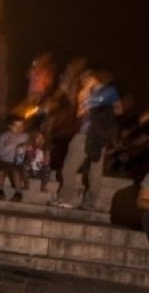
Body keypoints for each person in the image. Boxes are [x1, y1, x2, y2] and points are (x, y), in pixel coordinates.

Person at [51, 69, 122, 210]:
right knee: (93, 171)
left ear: (93, 78)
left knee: (70, 168)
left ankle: (67, 199)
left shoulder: (102, 91)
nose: (82, 81)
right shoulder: (103, 92)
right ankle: (90, 203)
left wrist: (87, 94)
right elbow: (117, 110)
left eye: (84, 78)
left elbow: (83, 110)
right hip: (97, 135)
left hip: (90, 134)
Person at [0, 115, 29, 201]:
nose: (18, 129)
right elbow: (1, 152)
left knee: (16, 171)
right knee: (1, 171)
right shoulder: (3, 137)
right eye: (16, 126)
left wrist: (27, 146)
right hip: (3, 161)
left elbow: (31, 144)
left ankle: (18, 193)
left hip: (17, 162)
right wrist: (14, 144)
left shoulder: (25, 137)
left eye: (21, 126)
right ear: (10, 126)